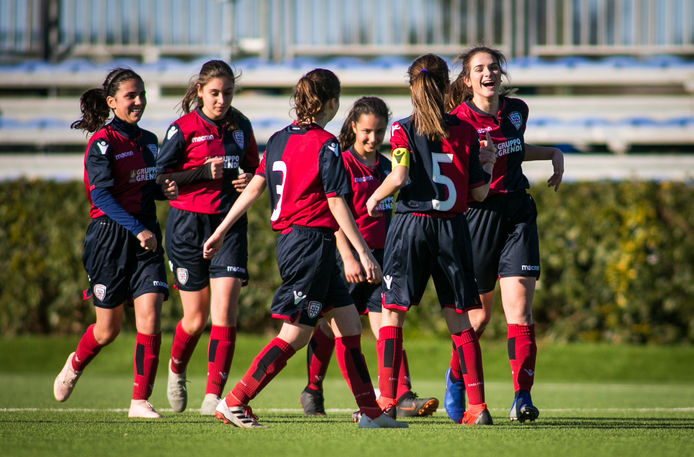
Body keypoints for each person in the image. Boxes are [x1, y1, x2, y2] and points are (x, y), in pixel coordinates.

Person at [202, 69, 406, 429]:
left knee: (347, 325)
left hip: (310, 244)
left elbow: (254, 189)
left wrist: (220, 229)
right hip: (308, 244)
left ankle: (371, 414)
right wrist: (364, 252)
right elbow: (336, 202)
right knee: (295, 334)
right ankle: (234, 401)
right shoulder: (326, 143)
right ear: (331, 102)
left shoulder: (279, 139)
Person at [365, 54, 496, 425]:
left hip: (412, 227)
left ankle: (387, 404)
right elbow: (480, 194)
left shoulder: (402, 130)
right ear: (448, 86)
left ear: (412, 87)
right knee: (459, 321)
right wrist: (486, 163)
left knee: (391, 315)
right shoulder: (467, 132)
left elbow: (399, 175)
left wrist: (375, 198)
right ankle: (478, 407)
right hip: (453, 229)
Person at [443, 46, 564, 424]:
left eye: (493, 67)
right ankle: (456, 379)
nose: (488, 73)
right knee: (478, 319)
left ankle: (522, 398)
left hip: (518, 214)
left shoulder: (517, 111)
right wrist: (477, 166)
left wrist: (552, 153)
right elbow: (452, 173)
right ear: (467, 80)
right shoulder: (457, 121)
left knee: (521, 311)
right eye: (479, 68)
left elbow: (515, 150)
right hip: (478, 216)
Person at [298, 96, 439, 418]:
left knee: (387, 327)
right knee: (330, 329)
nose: (373, 138)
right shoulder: (342, 164)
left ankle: (401, 395)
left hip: (382, 261)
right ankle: (312, 389)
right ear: (353, 127)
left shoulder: (390, 168)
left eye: (379, 132)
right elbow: (332, 215)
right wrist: (347, 256)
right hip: (346, 259)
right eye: (366, 132)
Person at [53, 68, 177, 418]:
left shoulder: (150, 141)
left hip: (146, 239)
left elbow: (146, 186)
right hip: (110, 240)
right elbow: (102, 198)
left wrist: (163, 191)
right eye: (130, 96)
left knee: (150, 317)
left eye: (141, 95)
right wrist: (136, 229)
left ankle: (140, 400)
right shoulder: (102, 143)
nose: (138, 102)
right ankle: (76, 363)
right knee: (107, 330)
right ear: (111, 102)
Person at [155, 60, 259, 415]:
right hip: (187, 226)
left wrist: (247, 179)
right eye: (214, 93)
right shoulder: (182, 128)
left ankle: (213, 396)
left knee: (225, 313)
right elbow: (160, 176)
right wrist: (200, 172)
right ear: (199, 91)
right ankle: (177, 369)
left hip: (227, 225)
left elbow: (254, 169)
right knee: (196, 319)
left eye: (227, 93)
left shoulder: (241, 126)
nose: (221, 100)